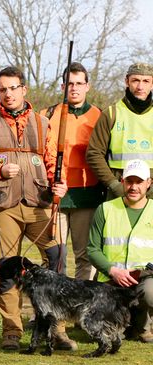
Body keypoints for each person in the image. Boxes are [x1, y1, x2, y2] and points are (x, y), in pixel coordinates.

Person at [0, 65, 68, 351]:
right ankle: (11, 332)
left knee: (56, 258)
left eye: (13, 88)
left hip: (39, 203)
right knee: (7, 268)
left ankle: (56, 328)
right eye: (2, 89)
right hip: (3, 206)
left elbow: (53, 164)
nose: (8, 94)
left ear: (24, 89)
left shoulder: (43, 123)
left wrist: (60, 185)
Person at [43, 62, 102, 282]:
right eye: (69, 84)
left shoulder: (100, 116)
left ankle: (82, 300)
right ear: (62, 87)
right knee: (55, 255)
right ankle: (55, 298)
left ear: (87, 86)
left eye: (79, 83)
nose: (74, 88)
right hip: (55, 196)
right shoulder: (48, 115)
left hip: (87, 197)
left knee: (85, 256)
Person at [87, 159, 153, 342]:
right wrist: (113, 271)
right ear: (122, 181)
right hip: (111, 279)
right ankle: (124, 326)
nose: (134, 187)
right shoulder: (105, 209)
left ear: (149, 183)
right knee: (107, 337)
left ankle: (143, 326)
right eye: (129, 181)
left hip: (145, 278)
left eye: (139, 182)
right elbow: (92, 249)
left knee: (151, 293)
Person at [87, 63, 153, 200]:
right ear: (127, 81)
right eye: (135, 80)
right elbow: (94, 153)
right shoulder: (111, 114)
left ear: (152, 84)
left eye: (146, 81)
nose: (140, 86)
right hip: (118, 192)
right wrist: (113, 185)